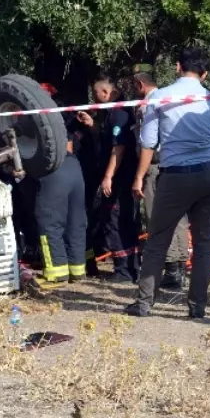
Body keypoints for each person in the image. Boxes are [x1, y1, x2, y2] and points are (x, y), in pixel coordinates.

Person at [126, 47, 210, 319]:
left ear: (177, 66)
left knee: (157, 241)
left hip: (175, 175)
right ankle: (197, 307)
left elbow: (148, 141)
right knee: (203, 243)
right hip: (209, 174)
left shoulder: (159, 97)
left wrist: (139, 176)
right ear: (205, 74)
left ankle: (144, 303)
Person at [78, 72, 141, 282]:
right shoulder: (113, 112)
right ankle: (129, 267)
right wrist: (92, 125)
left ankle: (124, 270)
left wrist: (108, 177)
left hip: (120, 177)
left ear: (105, 92)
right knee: (119, 219)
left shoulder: (118, 113)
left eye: (96, 95)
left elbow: (118, 148)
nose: (95, 99)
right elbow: (108, 139)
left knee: (116, 219)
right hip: (120, 175)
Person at [133, 72, 189, 292]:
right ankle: (179, 268)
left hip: (156, 167)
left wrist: (139, 176)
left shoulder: (152, 104)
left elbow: (148, 142)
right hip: (178, 166)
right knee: (179, 219)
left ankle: (173, 271)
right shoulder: (170, 100)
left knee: (158, 218)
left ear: (140, 85)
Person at [35, 132, 88, 284]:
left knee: (49, 223)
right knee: (75, 223)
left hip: (52, 170)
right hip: (73, 165)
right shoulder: (57, 123)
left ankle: (57, 273)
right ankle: (77, 271)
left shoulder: (25, 131)